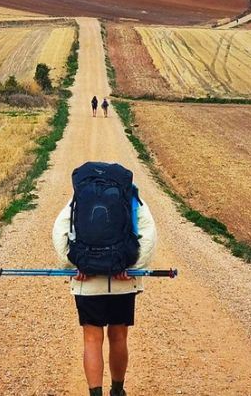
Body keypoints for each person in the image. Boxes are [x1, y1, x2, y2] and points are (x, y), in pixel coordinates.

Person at [53, 163, 157, 396]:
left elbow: (60, 231)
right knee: (118, 336)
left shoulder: (80, 198)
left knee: (92, 339)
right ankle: (117, 392)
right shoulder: (131, 197)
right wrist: (132, 267)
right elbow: (149, 234)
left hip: (87, 280)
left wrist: (74, 266)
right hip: (123, 280)